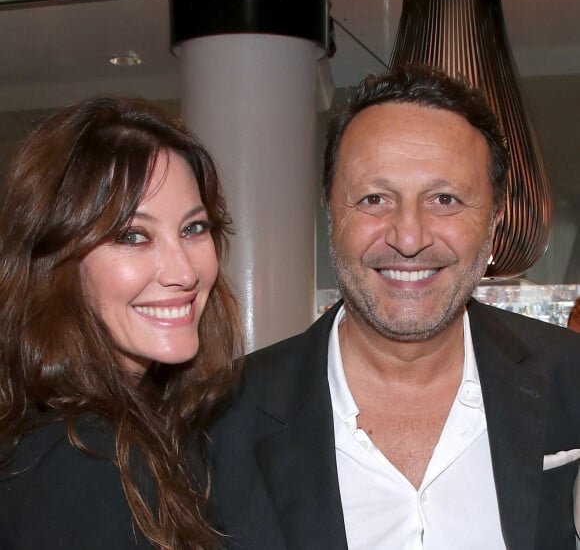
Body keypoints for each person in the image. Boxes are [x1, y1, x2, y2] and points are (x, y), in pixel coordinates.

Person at [208, 64, 580, 550]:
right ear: (331, 213)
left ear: (493, 221)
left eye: (444, 199)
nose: (408, 237)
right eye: (374, 198)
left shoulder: (569, 378)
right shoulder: (220, 421)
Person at [0, 98, 243, 549]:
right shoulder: (86, 460)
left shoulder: (73, 426)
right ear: (55, 263)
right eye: (133, 236)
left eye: (193, 229)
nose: (184, 272)